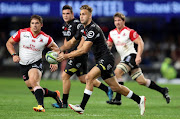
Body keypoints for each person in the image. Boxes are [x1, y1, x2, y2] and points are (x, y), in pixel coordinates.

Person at [56, 5, 146, 116]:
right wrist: (59, 50)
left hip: (106, 59)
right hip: (101, 59)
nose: (81, 17)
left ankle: (81, 107)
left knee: (89, 77)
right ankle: (139, 99)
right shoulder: (82, 28)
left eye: (84, 14)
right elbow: (71, 43)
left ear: (90, 16)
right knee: (116, 87)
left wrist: (66, 56)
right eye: (80, 14)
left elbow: (84, 49)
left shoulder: (93, 29)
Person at [52, 5, 113, 108]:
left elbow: (82, 40)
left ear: (72, 14)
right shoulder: (65, 26)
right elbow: (68, 41)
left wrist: (73, 53)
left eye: (68, 13)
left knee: (65, 76)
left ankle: (64, 103)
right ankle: (107, 89)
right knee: (83, 78)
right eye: (63, 14)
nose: (65, 16)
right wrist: (61, 50)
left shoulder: (78, 24)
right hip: (72, 53)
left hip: (78, 54)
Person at [106, 12, 170, 105]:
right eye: (115, 20)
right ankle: (163, 90)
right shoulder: (112, 33)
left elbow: (140, 42)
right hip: (124, 59)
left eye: (119, 20)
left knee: (117, 72)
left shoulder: (129, 31)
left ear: (123, 21)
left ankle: (118, 99)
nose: (117, 22)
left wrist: (138, 56)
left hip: (131, 56)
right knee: (141, 81)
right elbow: (109, 45)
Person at [6, 15, 63, 112]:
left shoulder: (45, 38)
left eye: (37, 23)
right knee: (35, 90)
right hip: (23, 64)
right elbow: (9, 43)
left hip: (35, 63)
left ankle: (41, 106)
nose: (34, 25)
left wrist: (55, 61)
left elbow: (57, 49)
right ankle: (54, 94)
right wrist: (14, 55)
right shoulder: (22, 33)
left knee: (34, 82)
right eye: (32, 23)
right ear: (30, 24)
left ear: (41, 25)